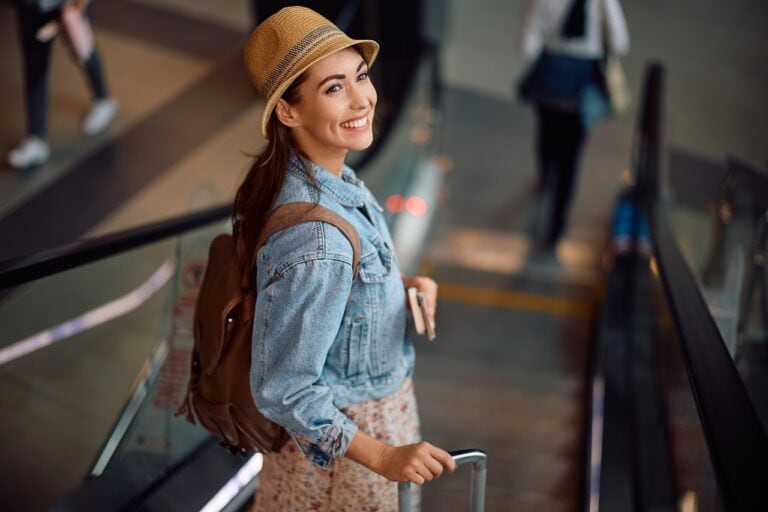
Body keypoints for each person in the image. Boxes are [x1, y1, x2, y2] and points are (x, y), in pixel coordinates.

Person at [237, 7, 456, 511]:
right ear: (289, 112)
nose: (363, 99)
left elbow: (327, 291)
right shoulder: (318, 238)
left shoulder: (314, 179)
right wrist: (383, 457)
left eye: (360, 76)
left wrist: (395, 287)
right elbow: (284, 389)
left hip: (366, 431)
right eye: (334, 88)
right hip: (347, 464)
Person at [519, 0, 629, 248]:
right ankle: (557, 224)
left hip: (549, 81)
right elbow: (620, 42)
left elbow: (527, 43)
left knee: (546, 136)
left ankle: (545, 177)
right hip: (582, 88)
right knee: (571, 158)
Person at [8, 0, 118, 169]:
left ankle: (103, 100)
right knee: (34, 67)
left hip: (67, 4)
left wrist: (76, 6)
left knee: (83, 50)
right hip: (32, 6)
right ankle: (36, 138)